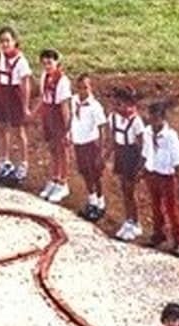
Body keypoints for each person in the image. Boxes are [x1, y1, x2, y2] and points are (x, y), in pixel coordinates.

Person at [141, 101, 179, 251]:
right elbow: (146, 152)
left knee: (172, 209)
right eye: (151, 116)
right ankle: (158, 234)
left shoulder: (170, 136)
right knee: (155, 206)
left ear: (162, 118)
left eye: (156, 117)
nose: (153, 120)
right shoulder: (148, 132)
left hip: (167, 176)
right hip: (152, 173)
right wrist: (143, 170)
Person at [0, 26, 32, 184]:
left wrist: (25, 106)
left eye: (8, 41)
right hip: (2, 93)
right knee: (2, 127)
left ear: (15, 41)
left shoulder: (21, 61)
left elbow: (26, 84)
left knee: (18, 130)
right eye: (2, 41)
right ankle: (5, 160)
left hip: (14, 95)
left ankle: (24, 163)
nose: (5, 44)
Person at [106, 86, 145, 241]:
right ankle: (128, 219)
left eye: (120, 104)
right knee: (124, 189)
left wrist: (141, 167)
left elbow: (142, 145)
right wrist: (105, 155)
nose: (116, 107)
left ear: (128, 103)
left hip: (132, 156)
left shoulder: (136, 121)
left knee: (131, 190)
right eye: (115, 104)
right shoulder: (114, 118)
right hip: (121, 154)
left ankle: (136, 222)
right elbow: (112, 140)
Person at [68, 73, 108, 220]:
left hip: (91, 143)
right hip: (79, 142)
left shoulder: (95, 106)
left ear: (90, 87)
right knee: (84, 172)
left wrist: (102, 150)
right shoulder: (74, 101)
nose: (82, 91)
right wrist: (69, 135)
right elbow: (71, 118)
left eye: (85, 87)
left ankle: (101, 203)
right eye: (79, 88)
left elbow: (102, 127)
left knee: (95, 174)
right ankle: (92, 200)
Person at [36, 49, 72, 203]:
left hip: (58, 116)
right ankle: (55, 176)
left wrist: (68, 128)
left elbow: (64, 106)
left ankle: (63, 182)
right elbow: (44, 98)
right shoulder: (45, 76)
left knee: (61, 149)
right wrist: (35, 113)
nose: (47, 66)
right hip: (48, 114)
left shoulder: (63, 81)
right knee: (52, 148)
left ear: (57, 63)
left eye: (50, 63)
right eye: (44, 63)